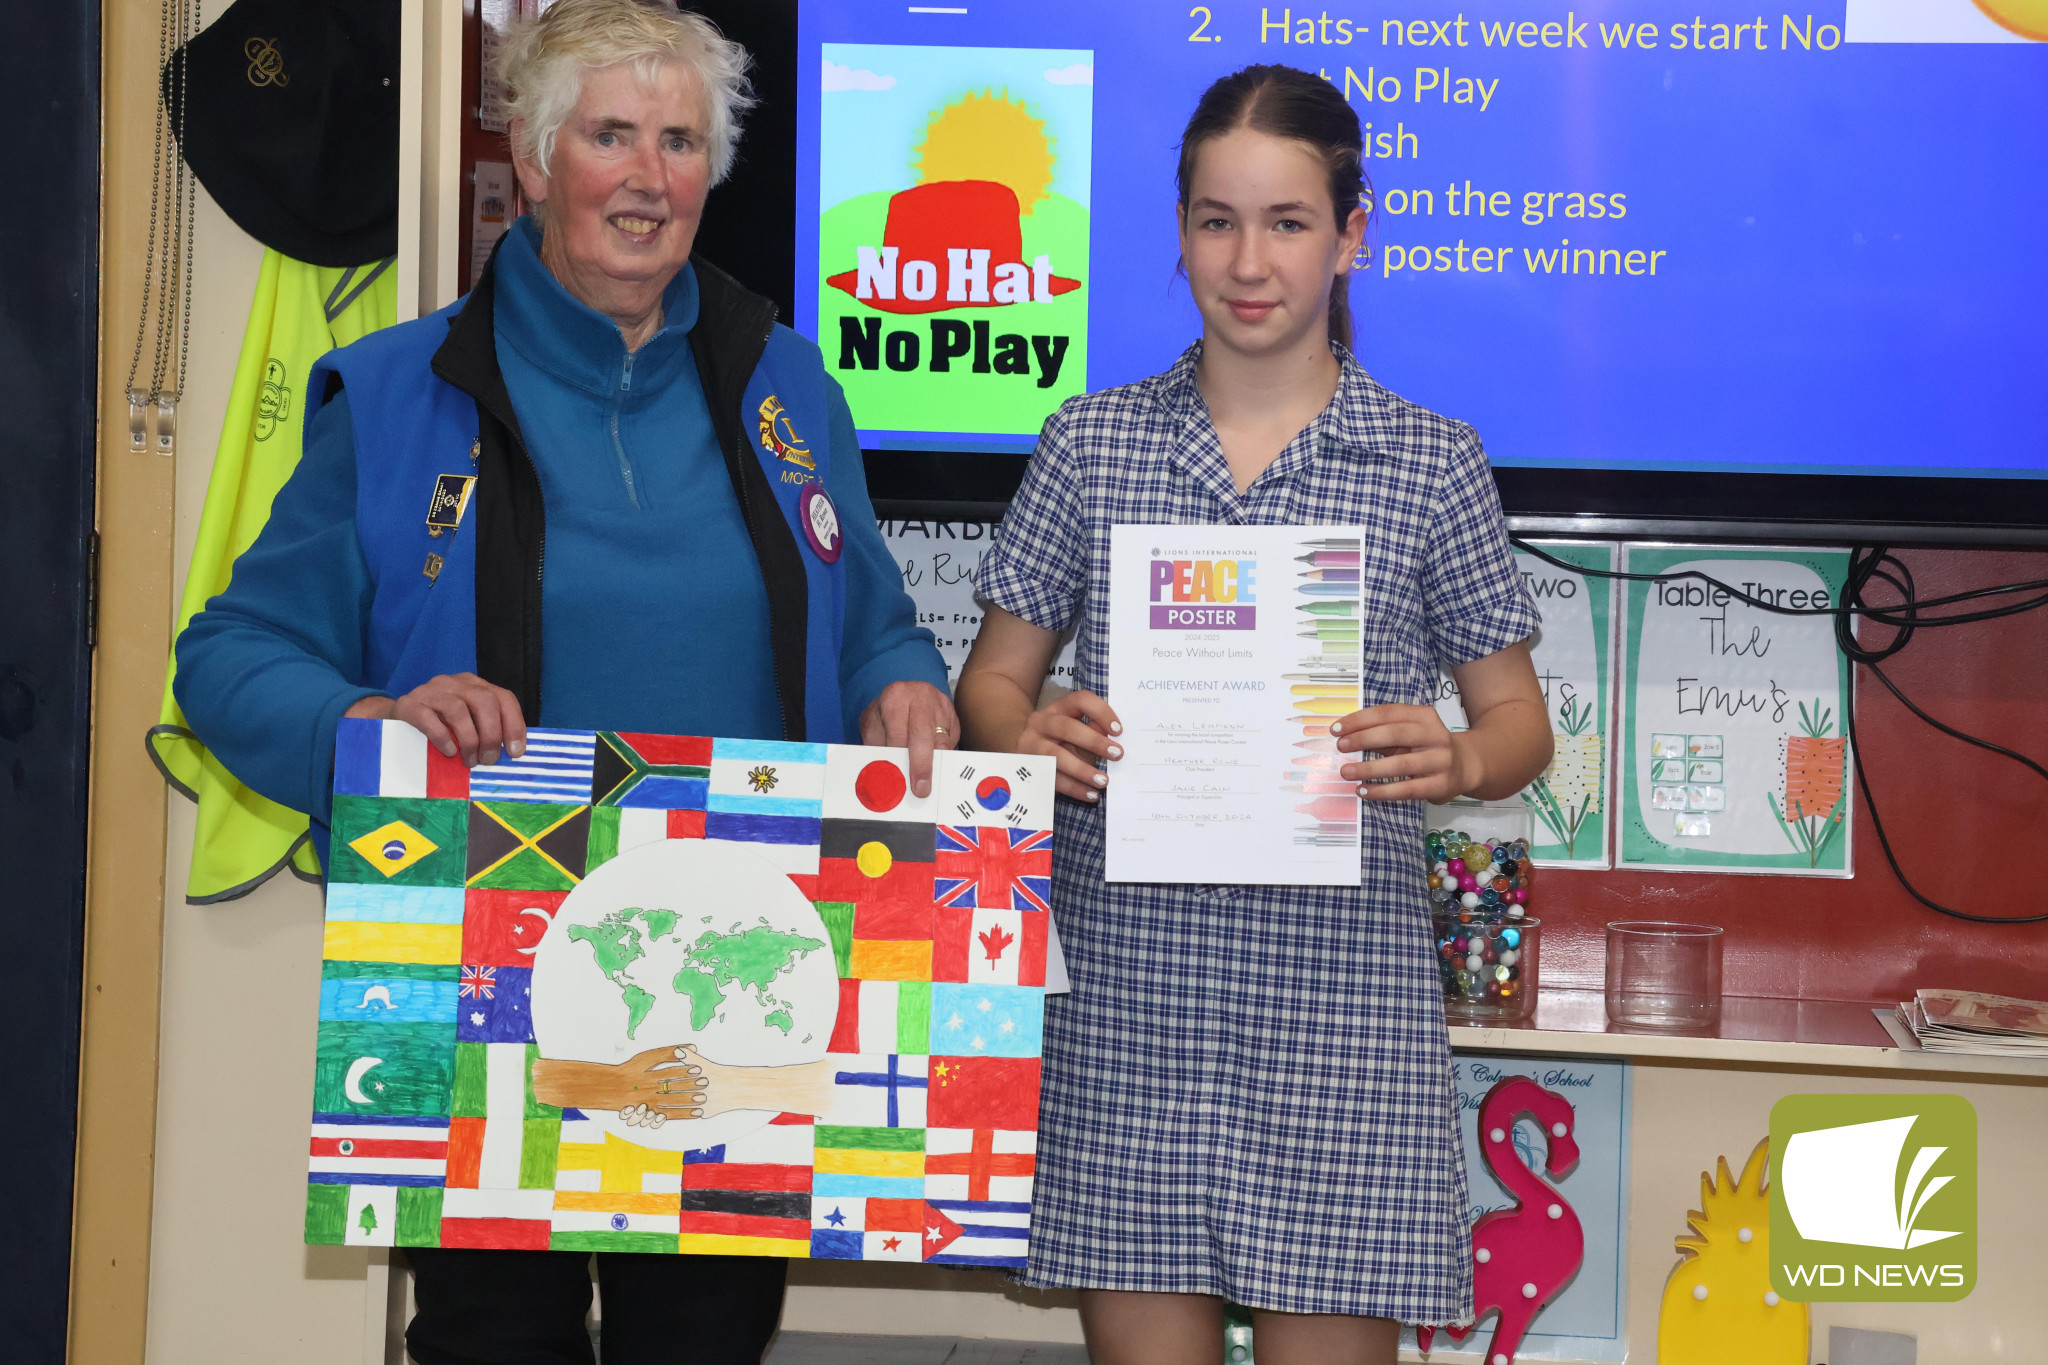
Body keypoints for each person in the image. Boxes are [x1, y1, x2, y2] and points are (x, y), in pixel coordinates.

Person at [174, 2, 953, 1361]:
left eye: (680, 141)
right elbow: (226, 658)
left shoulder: (791, 383)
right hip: (482, 988)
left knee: (702, 1343)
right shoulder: (399, 390)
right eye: (610, 136)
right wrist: (364, 719)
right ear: (534, 161)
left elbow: (875, 623)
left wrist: (903, 688)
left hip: (746, 984)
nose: (649, 177)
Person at [954, 65, 1554, 1365]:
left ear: (1352, 236)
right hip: (1131, 996)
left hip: (1339, 1002)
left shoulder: (1431, 459)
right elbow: (988, 682)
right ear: (1177, 232)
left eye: (1288, 221)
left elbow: (1521, 722)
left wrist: (1453, 753)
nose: (1249, 258)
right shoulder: (1089, 444)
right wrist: (1025, 731)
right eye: (1217, 219)